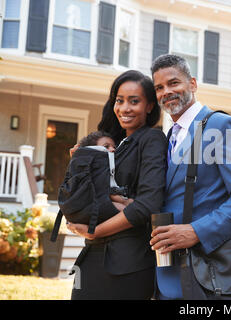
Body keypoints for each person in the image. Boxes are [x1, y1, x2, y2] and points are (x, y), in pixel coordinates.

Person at [149, 54, 231, 299]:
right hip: (166, 276)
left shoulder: (221, 126)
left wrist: (196, 231)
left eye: (174, 83)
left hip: (209, 274)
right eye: (159, 87)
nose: (166, 92)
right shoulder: (170, 137)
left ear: (192, 84)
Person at [66, 70, 167, 300]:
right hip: (92, 255)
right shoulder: (111, 144)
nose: (124, 108)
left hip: (127, 261)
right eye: (119, 100)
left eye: (134, 101)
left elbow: (148, 205)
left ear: (150, 106)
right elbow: (84, 193)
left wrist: (95, 230)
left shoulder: (152, 139)